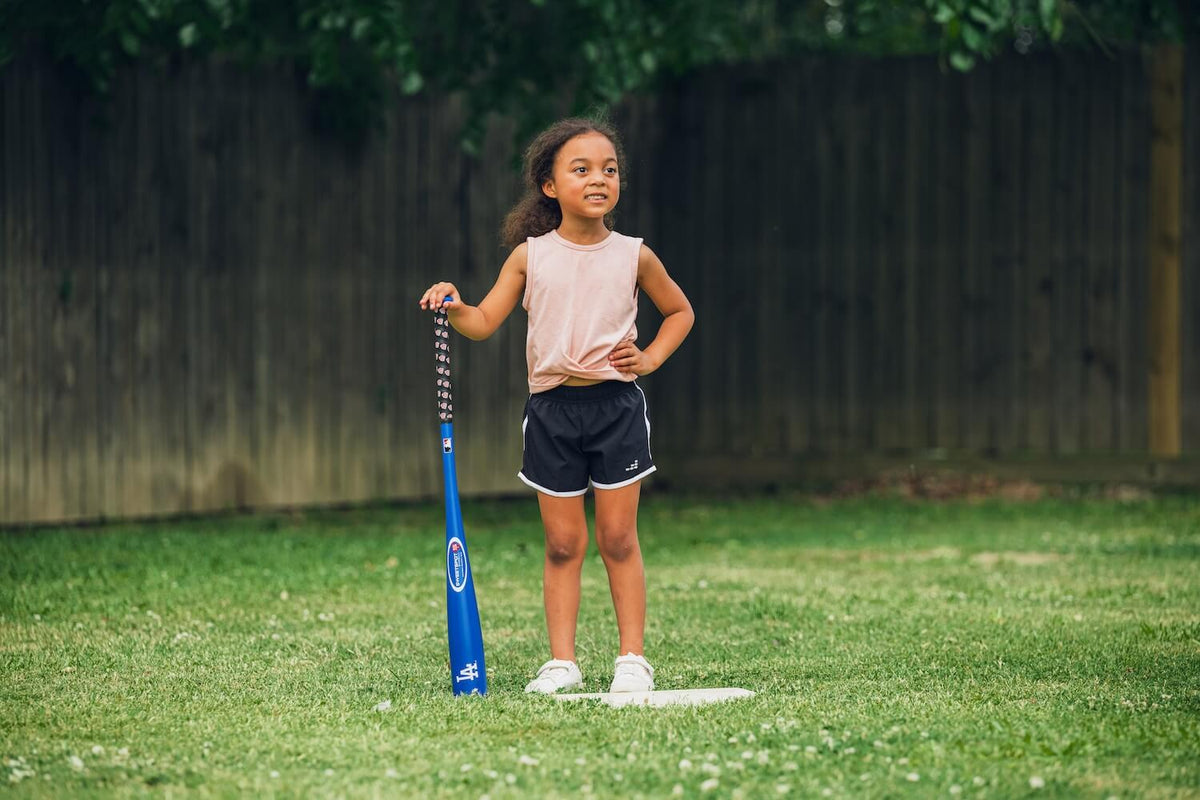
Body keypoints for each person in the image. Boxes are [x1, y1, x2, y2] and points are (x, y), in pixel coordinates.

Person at [418, 117, 694, 694]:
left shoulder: (634, 255)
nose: (599, 179)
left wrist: (649, 359)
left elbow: (680, 312)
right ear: (550, 185)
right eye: (582, 169)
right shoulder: (529, 257)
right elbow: (483, 320)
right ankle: (562, 662)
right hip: (551, 413)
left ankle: (632, 659)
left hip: (616, 407)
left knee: (618, 539)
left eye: (609, 170)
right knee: (564, 544)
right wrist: (453, 302)